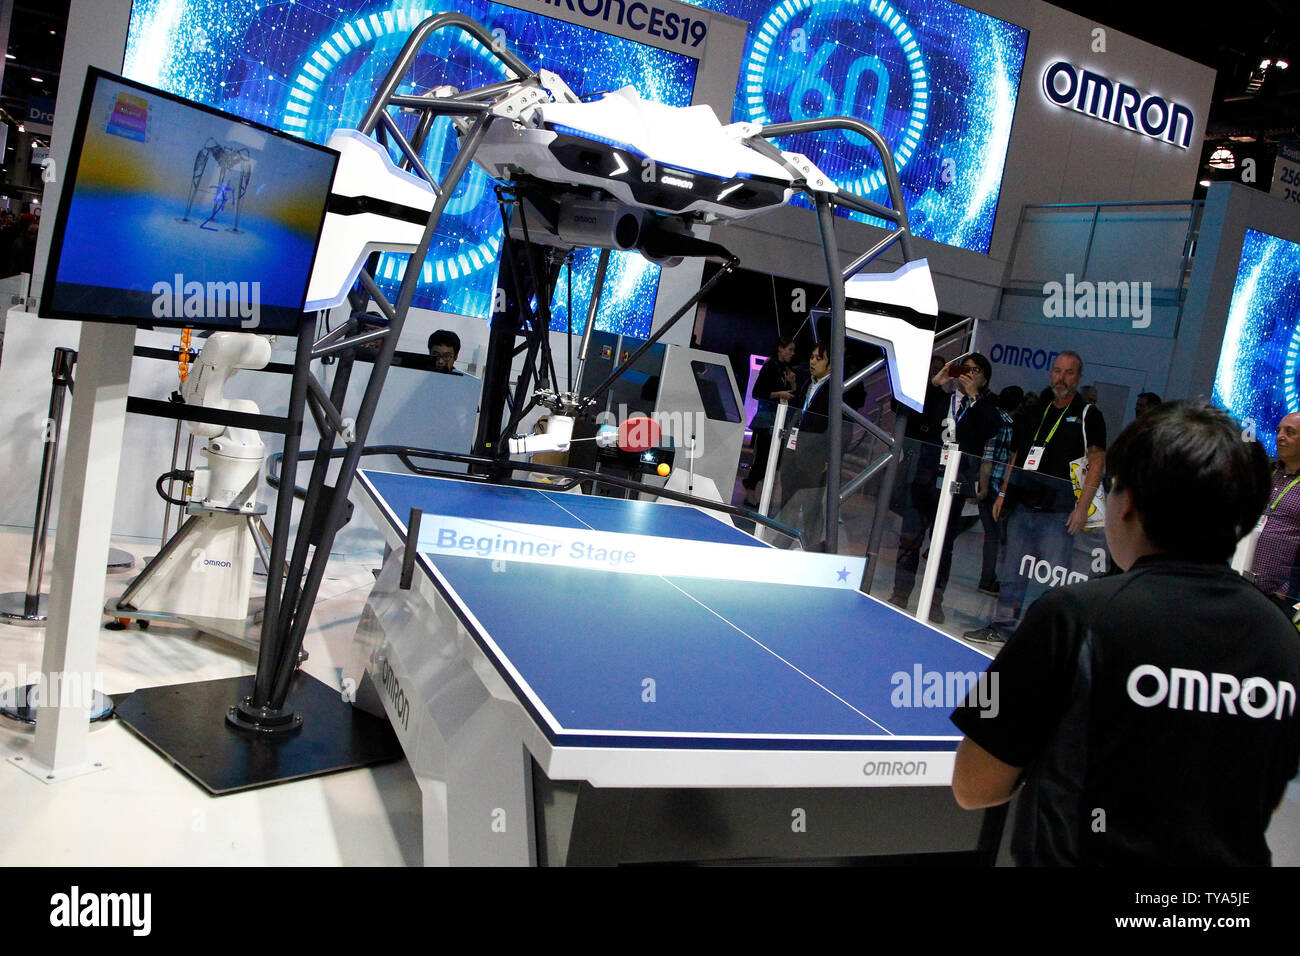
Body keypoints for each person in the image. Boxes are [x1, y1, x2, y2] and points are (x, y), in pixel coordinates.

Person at [950, 401, 1300, 865]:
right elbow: (1262, 800)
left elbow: (975, 786)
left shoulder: (1070, 617)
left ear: (1128, 502)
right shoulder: (1282, 638)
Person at [964, 351, 1105, 645]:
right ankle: (1002, 628)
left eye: (1068, 373)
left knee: (1053, 578)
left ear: (1078, 378)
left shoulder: (1088, 415)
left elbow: (1097, 462)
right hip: (1025, 505)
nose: (1061, 378)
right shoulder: (1035, 412)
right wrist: (1003, 492)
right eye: (1057, 371)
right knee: (1012, 570)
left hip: (1059, 511)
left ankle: (1045, 637)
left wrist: (1083, 508)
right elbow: (1017, 455)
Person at [889, 353, 1011, 623]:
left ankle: (934, 601)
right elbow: (904, 408)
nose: (967, 374)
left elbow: (992, 428)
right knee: (910, 537)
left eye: (975, 370)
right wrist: (936, 382)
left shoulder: (986, 407)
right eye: (963, 369)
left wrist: (975, 397)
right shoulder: (941, 399)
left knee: (943, 546)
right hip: (924, 478)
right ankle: (900, 592)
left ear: (984, 378)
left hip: (955, 485)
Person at [776, 342, 833, 548]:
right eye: (812, 357)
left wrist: (828, 457)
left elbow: (838, 428)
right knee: (788, 500)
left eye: (819, 358)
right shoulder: (807, 383)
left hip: (815, 457)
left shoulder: (834, 390)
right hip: (793, 450)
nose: (812, 361)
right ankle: (782, 541)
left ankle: (811, 548)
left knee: (811, 509)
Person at [1251, 411, 1300, 610]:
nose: (1280, 436)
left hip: (1281, 597)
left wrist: (1288, 590)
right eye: (1279, 430)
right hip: (1240, 583)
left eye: (1290, 432)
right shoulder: (1265, 474)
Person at [742, 336, 797, 507]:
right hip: (767, 421)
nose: (792, 354)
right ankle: (751, 490)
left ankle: (753, 487)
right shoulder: (769, 367)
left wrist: (792, 383)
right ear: (780, 348)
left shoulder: (784, 369)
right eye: (790, 349)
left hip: (779, 420)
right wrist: (779, 394)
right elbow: (758, 392)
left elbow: (792, 394)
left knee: (774, 460)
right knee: (763, 459)